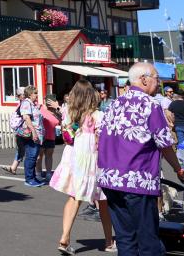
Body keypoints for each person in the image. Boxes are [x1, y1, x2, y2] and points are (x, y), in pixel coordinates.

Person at [97, 62, 184, 256]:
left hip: (110, 179)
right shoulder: (150, 105)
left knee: (125, 239)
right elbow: (164, 143)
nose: (158, 83)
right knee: (148, 240)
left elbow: (100, 138)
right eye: (157, 79)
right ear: (143, 79)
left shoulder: (114, 104)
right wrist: (180, 171)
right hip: (137, 180)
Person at [50, 80, 115, 254]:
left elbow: (66, 137)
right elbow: (102, 141)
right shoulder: (97, 115)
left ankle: (64, 238)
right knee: (103, 200)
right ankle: (109, 241)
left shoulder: (68, 113)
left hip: (73, 157)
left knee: (74, 197)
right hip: (93, 159)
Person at [18, 86, 44, 186]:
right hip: (31, 134)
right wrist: (34, 132)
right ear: (29, 94)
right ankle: (29, 179)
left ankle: (32, 177)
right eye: (35, 93)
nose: (37, 95)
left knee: (33, 156)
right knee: (31, 156)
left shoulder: (32, 104)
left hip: (37, 133)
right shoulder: (26, 103)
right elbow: (26, 118)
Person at [3, 87, 27, 175]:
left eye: (25, 94)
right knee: (21, 148)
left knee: (29, 150)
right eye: (22, 95)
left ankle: (35, 170)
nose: (24, 96)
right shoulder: (21, 104)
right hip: (21, 130)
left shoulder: (26, 104)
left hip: (27, 129)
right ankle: (13, 167)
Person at [40, 95, 62, 182]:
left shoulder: (56, 112)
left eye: (51, 101)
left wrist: (57, 110)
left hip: (51, 136)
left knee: (49, 156)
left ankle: (48, 173)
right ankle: (38, 173)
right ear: (45, 101)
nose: (50, 103)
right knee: (39, 156)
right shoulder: (40, 108)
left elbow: (61, 120)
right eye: (48, 101)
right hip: (41, 136)